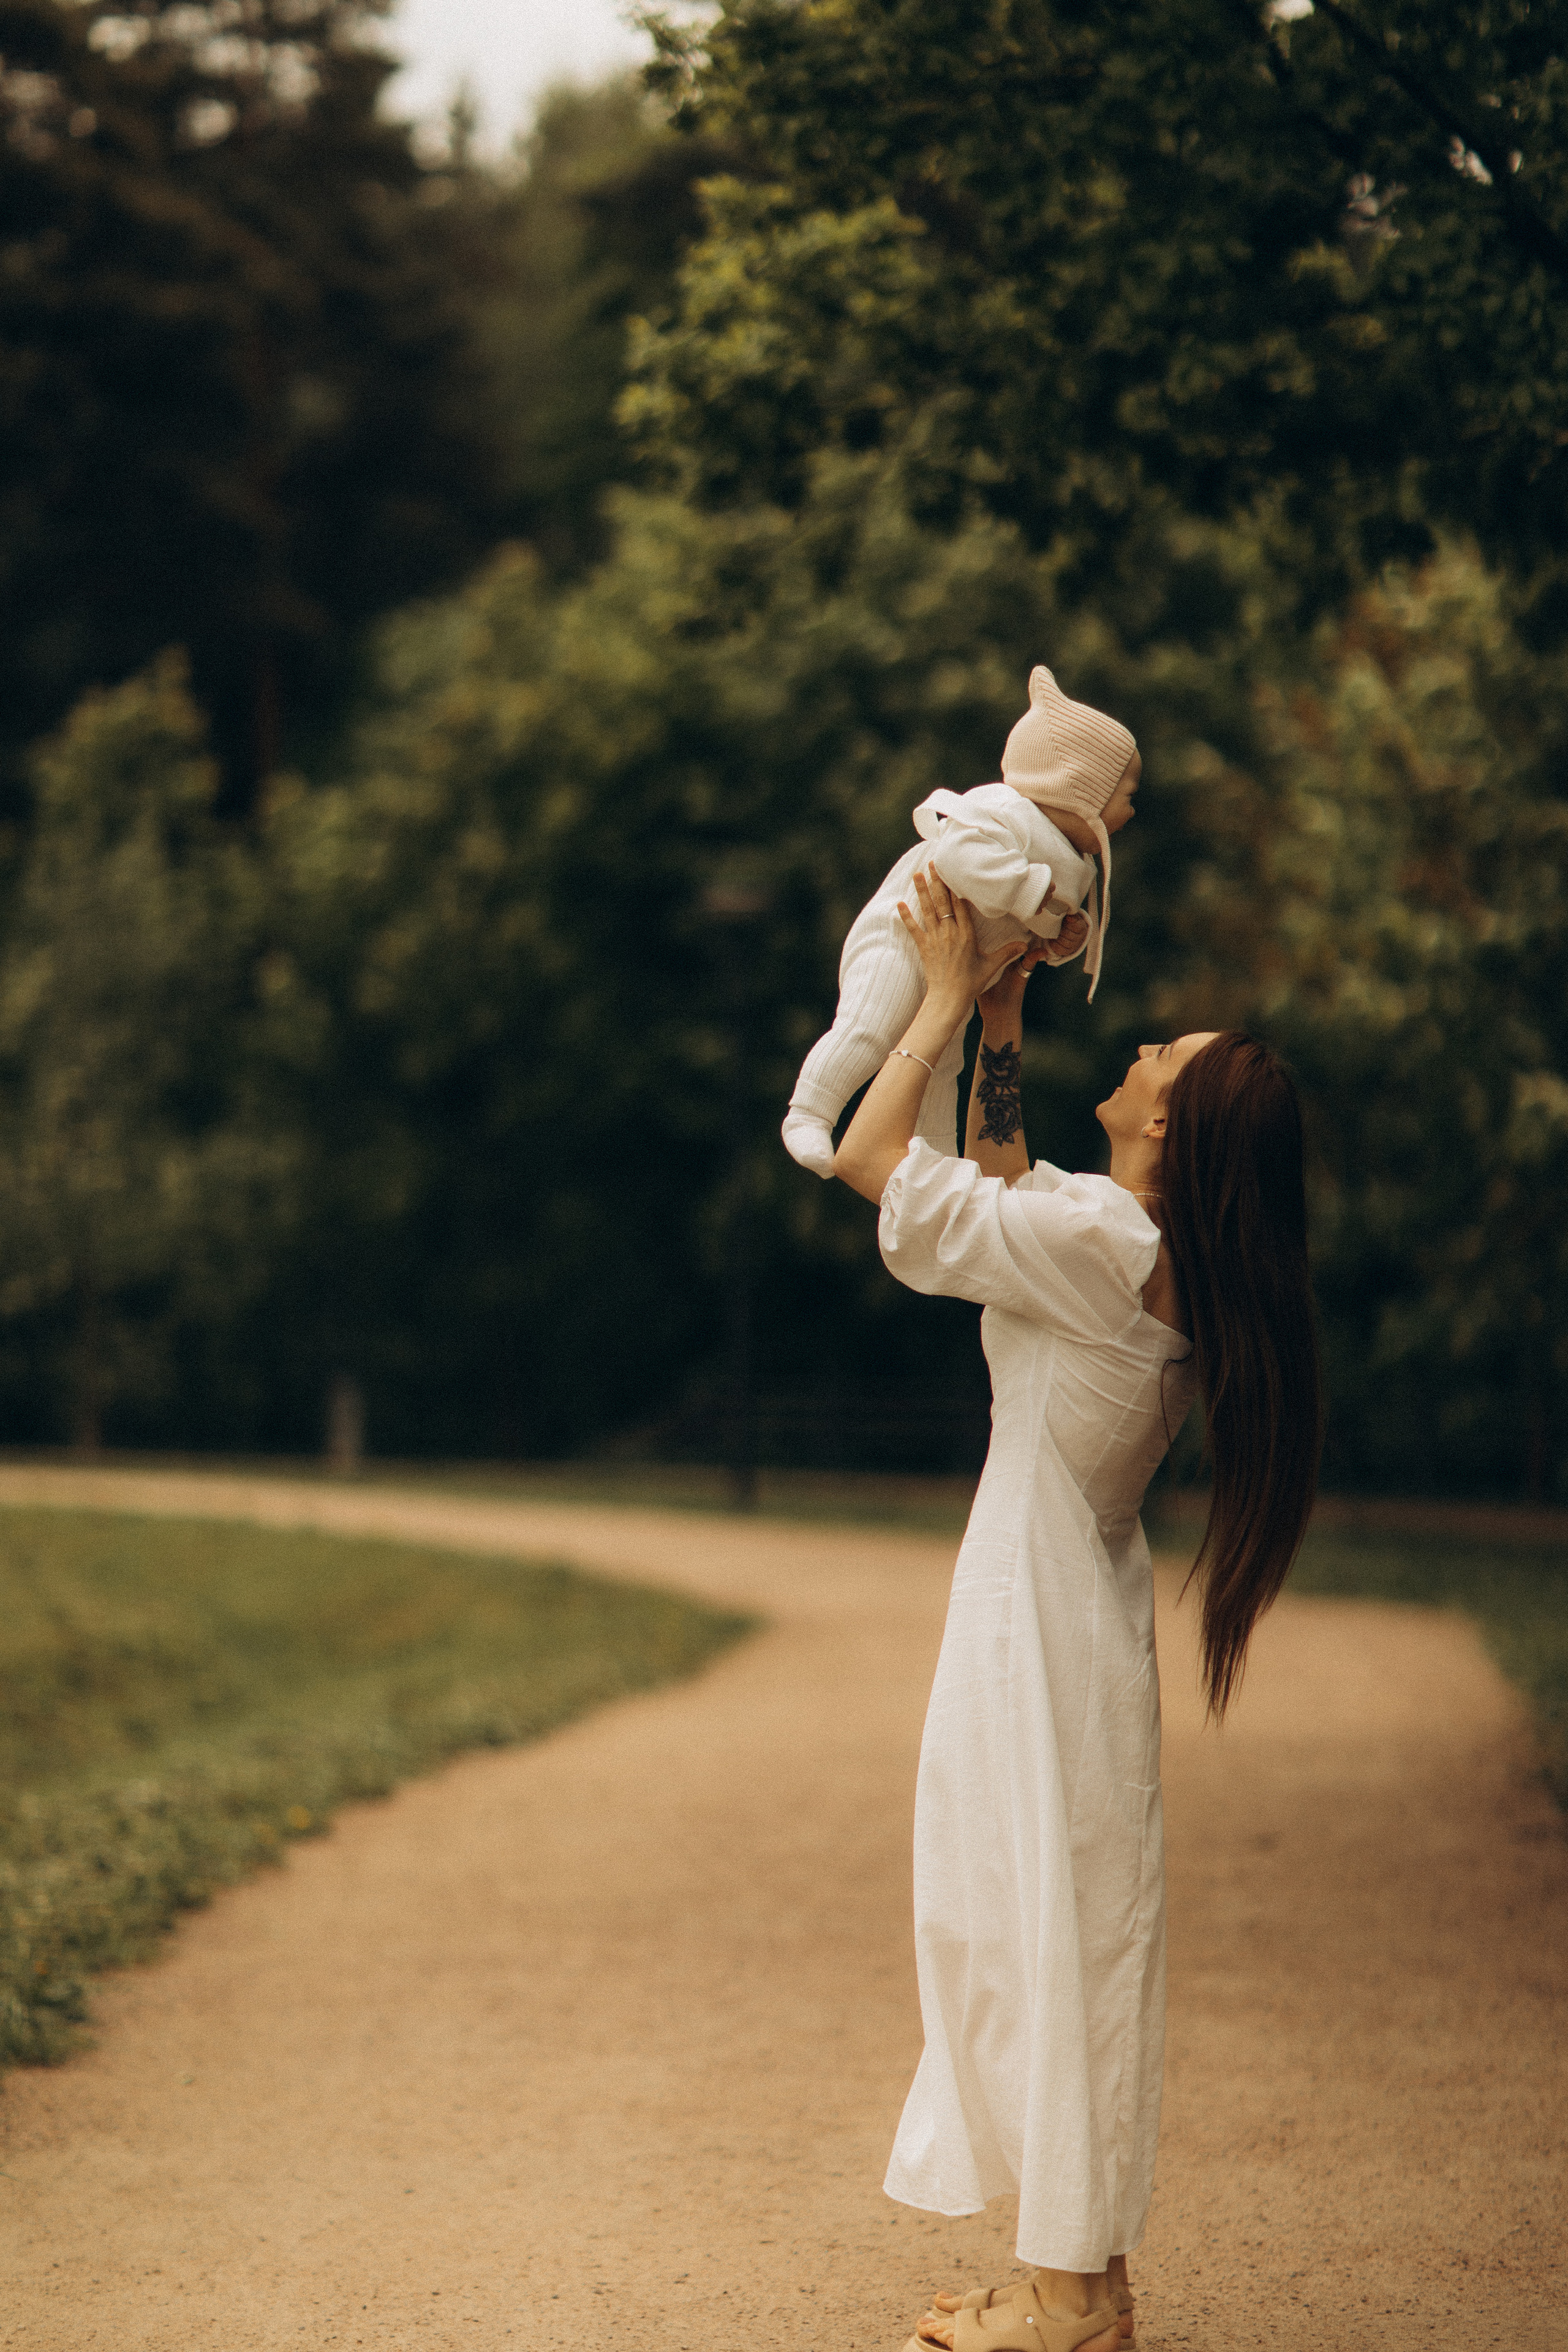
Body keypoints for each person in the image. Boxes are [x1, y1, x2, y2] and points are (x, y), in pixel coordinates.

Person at [833, 872, 1321, 2352]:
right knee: (1067, 1934)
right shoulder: (1126, 1245)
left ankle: (1060, 2300)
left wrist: (928, 1000)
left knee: (1026, 1928)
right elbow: (1002, 1184)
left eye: (1161, 1057)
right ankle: (1081, 2284)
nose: (1139, 1050)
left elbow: (873, 1161)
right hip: (1068, 1611)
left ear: (1167, 1128)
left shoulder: (1109, 1247)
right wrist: (999, 1016)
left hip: (1031, 1622)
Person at [782, 667, 1139, 1178]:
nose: (1132, 810)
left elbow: (1036, 929)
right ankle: (810, 1113)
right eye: (1127, 794)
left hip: (960, 974)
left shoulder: (1077, 865)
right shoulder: (1003, 809)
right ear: (1078, 790)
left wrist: (1064, 940)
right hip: (901, 938)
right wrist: (1027, 890)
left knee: (940, 1070)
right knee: (870, 1027)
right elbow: (957, 855)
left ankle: (936, 1166)